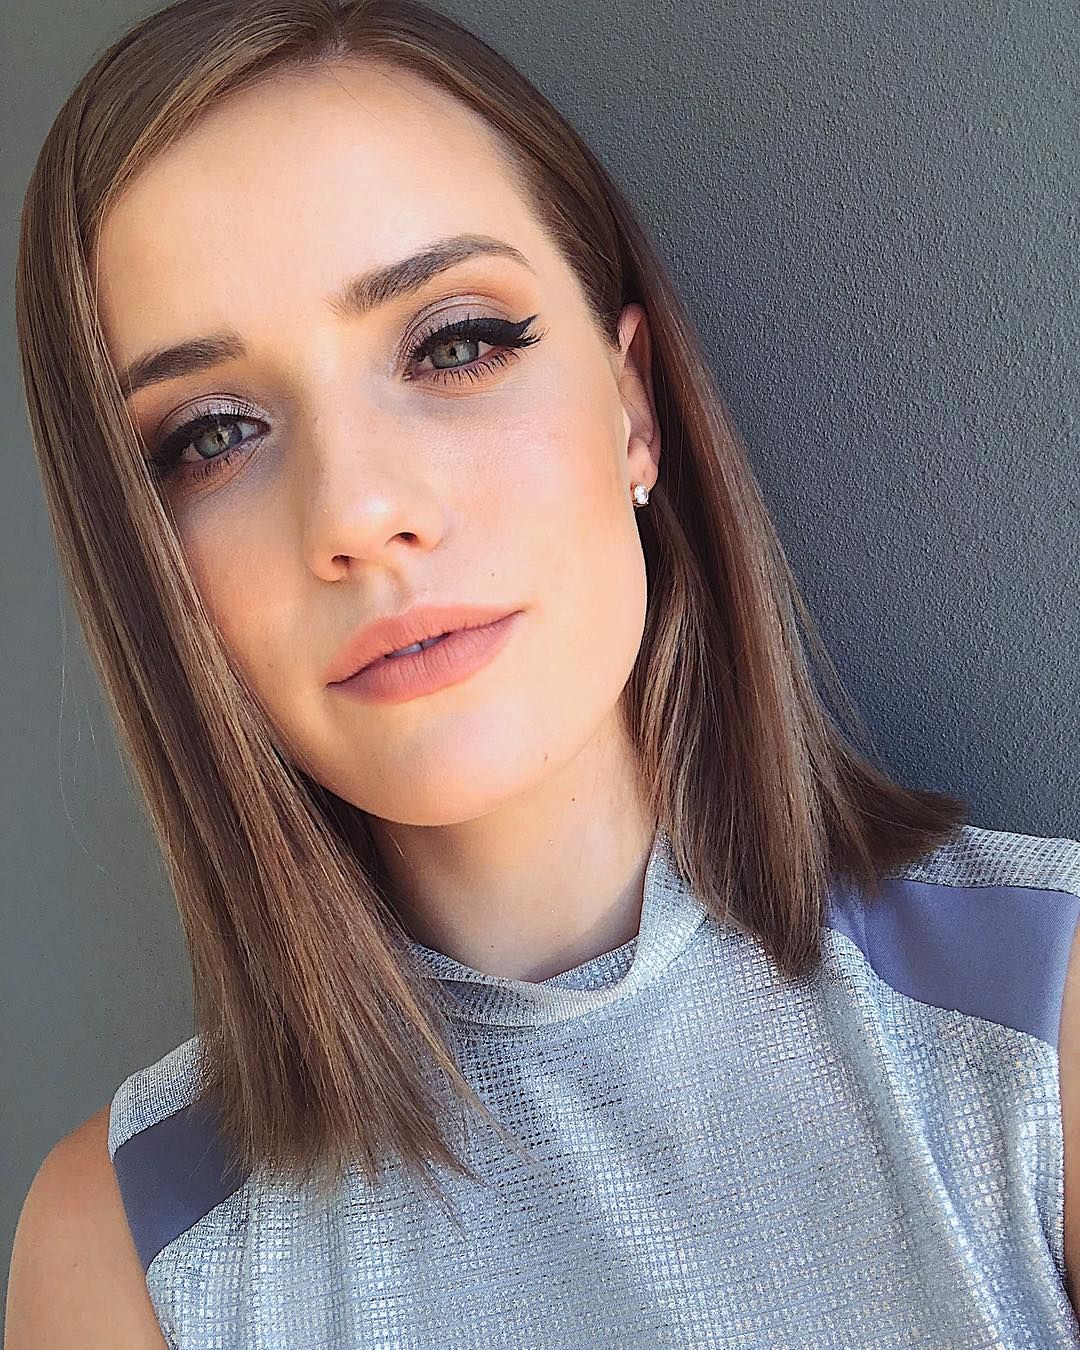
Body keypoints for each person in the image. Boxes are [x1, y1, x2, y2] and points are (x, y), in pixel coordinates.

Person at [6, 1, 1080, 1345]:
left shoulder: (1043, 1022)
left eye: (454, 344)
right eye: (212, 436)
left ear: (632, 407)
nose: (359, 513)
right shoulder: (131, 1256)